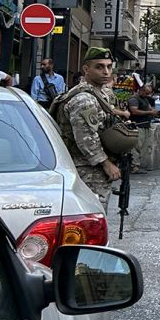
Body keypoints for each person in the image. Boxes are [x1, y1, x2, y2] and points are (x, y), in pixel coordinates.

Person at [52, 48, 128, 206]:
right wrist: (106, 164)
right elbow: (86, 138)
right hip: (86, 167)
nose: (106, 71)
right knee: (93, 214)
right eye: (99, 67)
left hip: (94, 166)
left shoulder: (99, 93)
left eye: (109, 66)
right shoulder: (83, 99)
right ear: (86, 69)